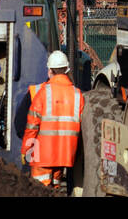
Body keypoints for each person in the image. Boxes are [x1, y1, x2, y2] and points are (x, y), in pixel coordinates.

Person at [22, 50, 83, 189]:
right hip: (65, 155)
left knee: (39, 190)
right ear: (67, 70)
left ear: (50, 71)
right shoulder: (78, 94)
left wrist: (26, 150)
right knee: (55, 190)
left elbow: (32, 125)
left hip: (42, 156)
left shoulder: (43, 93)